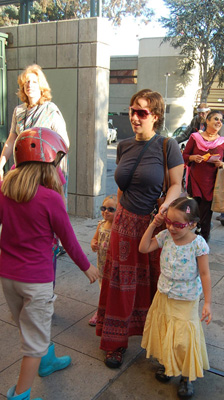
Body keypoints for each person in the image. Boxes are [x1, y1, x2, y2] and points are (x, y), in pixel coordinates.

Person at [0, 127, 98, 400]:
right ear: (51, 162)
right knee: (33, 343)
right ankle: (20, 395)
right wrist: (86, 266)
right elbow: (68, 239)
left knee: (29, 325)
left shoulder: (5, 188)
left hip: (8, 276)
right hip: (36, 281)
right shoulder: (50, 198)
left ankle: (47, 361)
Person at [96, 89, 184, 369]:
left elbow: (175, 185)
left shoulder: (167, 146)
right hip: (124, 224)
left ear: (155, 116)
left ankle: (158, 340)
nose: (134, 117)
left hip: (153, 225)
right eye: (133, 110)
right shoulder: (123, 145)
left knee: (158, 285)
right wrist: (116, 217)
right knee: (122, 283)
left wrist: (165, 208)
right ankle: (115, 343)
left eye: (141, 112)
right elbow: (122, 187)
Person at [139, 197, 211, 399]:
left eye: (178, 224)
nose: (171, 227)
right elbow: (143, 248)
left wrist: (207, 302)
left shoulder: (198, 244)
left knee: (184, 338)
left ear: (193, 224)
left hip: (187, 299)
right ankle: (167, 363)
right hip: (164, 294)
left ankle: (187, 376)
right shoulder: (164, 236)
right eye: (168, 221)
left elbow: (205, 274)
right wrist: (154, 224)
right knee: (165, 331)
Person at [0, 64, 70, 256]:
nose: (29, 85)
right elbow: (12, 139)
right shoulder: (18, 112)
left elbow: (64, 142)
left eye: (33, 81)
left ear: (41, 86)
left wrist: (49, 167)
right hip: (24, 167)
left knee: (50, 206)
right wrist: (1, 162)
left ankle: (58, 241)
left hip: (47, 168)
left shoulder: (50, 110)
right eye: (26, 83)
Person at [182, 111, 224, 241]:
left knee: (206, 212)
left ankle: (203, 238)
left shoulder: (223, 142)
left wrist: (221, 164)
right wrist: (193, 157)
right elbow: (184, 156)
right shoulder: (195, 137)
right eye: (216, 119)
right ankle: (188, 234)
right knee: (191, 209)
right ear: (207, 121)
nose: (219, 122)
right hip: (194, 181)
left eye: (221, 120)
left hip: (212, 184)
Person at [88, 194, 117, 326]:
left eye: (111, 209)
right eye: (103, 208)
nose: (106, 211)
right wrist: (93, 243)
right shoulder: (101, 224)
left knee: (112, 290)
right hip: (102, 264)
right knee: (103, 288)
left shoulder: (118, 228)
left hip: (113, 265)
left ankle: (109, 311)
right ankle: (100, 310)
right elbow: (94, 239)